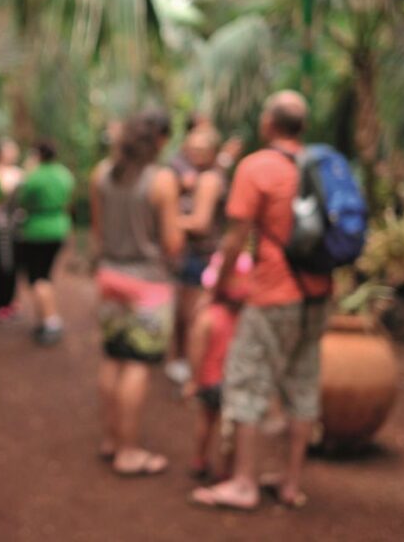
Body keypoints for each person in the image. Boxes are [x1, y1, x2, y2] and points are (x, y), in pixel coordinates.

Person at [191, 90, 332, 510]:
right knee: (303, 384)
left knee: (247, 381)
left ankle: (244, 483)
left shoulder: (256, 167)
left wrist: (218, 288)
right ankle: (290, 483)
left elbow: (235, 239)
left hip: (273, 292)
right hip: (318, 295)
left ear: (268, 123)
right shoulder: (321, 165)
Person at [90, 111, 183, 475]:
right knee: (137, 364)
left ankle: (111, 439)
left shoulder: (101, 174)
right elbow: (172, 243)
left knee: (113, 357)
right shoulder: (162, 180)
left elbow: (98, 232)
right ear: (158, 141)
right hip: (148, 285)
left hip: (110, 277)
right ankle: (128, 452)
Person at [166, 127, 228, 386]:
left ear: (213, 152)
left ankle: (195, 375)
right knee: (183, 314)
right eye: (191, 148)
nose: (195, 153)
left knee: (192, 317)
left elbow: (200, 223)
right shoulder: (197, 176)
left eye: (201, 149)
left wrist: (165, 220)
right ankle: (184, 364)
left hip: (200, 257)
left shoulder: (209, 180)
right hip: (192, 256)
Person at [183, 252, 252, 481]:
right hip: (234, 383)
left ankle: (199, 459)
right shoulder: (246, 320)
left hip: (210, 381)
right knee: (231, 427)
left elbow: (196, 350)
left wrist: (193, 380)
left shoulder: (208, 317)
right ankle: (226, 469)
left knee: (206, 420)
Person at [15, 139, 75, 345]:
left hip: (37, 231)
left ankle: (51, 322)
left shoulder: (34, 177)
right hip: (59, 227)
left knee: (38, 278)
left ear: (37, 154)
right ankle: (44, 320)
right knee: (45, 276)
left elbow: (23, 200)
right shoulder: (64, 174)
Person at [0, 138, 24, 321]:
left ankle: (11, 300)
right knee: (4, 265)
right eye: (8, 150)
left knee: (15, 265)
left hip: (18, 226)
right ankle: (1, 303)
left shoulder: (19, 172)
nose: (12, 153)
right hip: (2, 226)